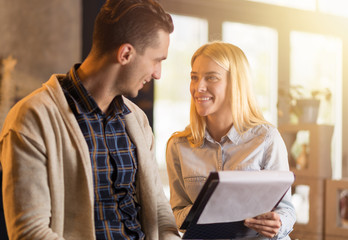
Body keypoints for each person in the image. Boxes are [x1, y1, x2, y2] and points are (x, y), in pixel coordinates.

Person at [0, 0, 181, 239]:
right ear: (125, 53)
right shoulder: (32, 119)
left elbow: (159, 211)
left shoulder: (137, 120)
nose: (158, 73)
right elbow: (30, 233)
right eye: (157, 60)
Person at [166, 41, 296, 239]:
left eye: (211, 78)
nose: (199, 87)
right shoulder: (178, 145)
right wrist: (208, 211)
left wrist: (278, 223)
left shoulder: (266, 138)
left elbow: (287, 210)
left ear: (236, 83)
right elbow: (177, 211)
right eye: (194, 77)